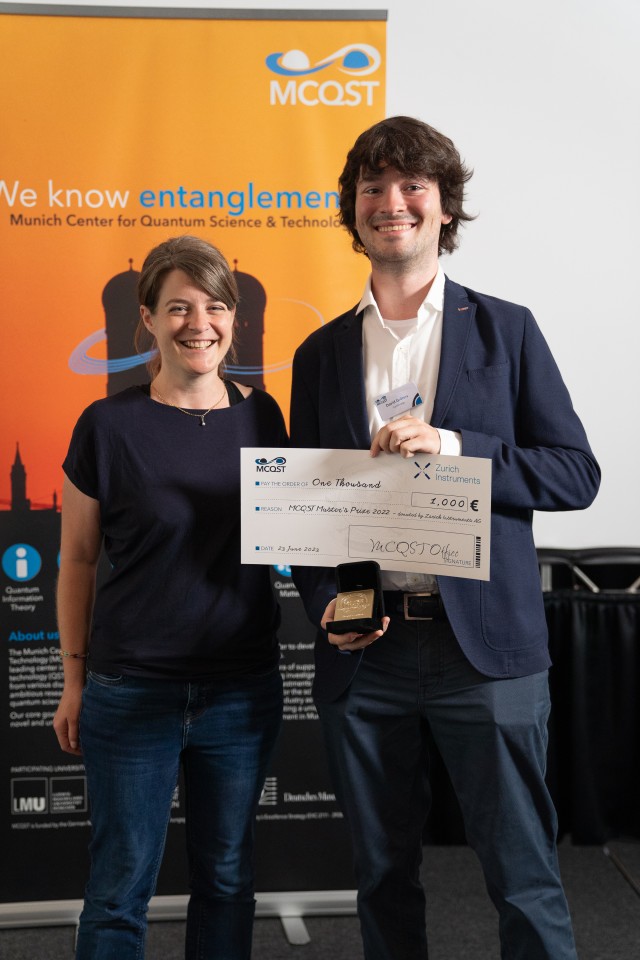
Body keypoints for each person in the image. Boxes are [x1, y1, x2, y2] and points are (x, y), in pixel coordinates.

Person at [289, 117, 600, 960]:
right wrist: (334, 606)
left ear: (444, 209)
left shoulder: (508, 329)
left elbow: (576, 474)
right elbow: (315, 514)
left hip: (486, 649)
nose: (392, 203)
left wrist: (458, 448)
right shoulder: (318, 355)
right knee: (382, 875)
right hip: (369, 650)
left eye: (412, 187)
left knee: (521, 870)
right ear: (352, 213)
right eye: (373, 189)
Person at [53, 235, 287, 960]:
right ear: (147, 320)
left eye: (215, 306)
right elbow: (79, 558)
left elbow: (298, 534)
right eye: (178, 307)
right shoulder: (107, 425)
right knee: (121, 888)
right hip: (131, 693)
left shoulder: (266, 418)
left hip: (241, 691)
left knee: (224, 878)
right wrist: (73, 680)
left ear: (233, 320)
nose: (199, 323)